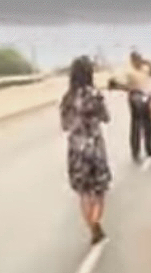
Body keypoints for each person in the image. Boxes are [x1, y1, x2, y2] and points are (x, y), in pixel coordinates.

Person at [61, 56, 111, 245]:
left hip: (76, 149)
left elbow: (65, 125)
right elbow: (106, 117)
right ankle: (96, 221)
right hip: (94, 146)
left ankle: (92, 228)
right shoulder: (95, 95)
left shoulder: (67, 98)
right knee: (100, 190)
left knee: (84, 192)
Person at [109, 51, 151, 162]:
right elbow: (122, 85)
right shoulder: (129, 72)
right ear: (132, 61)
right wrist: (121, 86)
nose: (137, 62)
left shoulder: (145, 68)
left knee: (149, 125)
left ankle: (149, 149)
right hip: (135, 96)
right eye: (135, 60)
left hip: (147, 97)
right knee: (136, 125)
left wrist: (149, 63)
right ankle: (135, 152)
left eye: (138, 60)